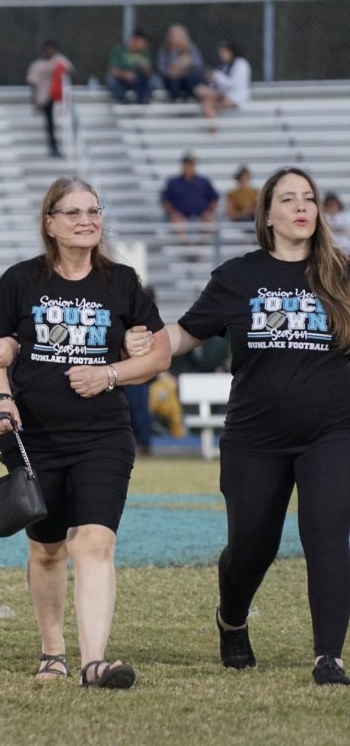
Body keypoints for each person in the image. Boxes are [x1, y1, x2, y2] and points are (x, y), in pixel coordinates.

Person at [127, 167, 350, 686]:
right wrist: (146, 343)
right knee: (253, 544)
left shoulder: (342, 273)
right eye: (289, 199)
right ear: (267, 215)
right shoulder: (238, 276)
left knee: (327, 536)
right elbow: (185, 334)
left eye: (310, 199)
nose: (302, 208)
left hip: (333, 432)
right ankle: (232, 618)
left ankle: (328, 656)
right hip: (255, 438)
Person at [0, 176, 171, 689]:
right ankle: (52, 652)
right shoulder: (21, 280)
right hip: (33, 436)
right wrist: (1, 399)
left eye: (93, 211)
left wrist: (110, 374)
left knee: (94, 542)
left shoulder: (123, 282)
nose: (86, 220)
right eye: (73, 212)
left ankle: (94, 663)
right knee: (46, 549)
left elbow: (160, 353)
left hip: (103, 435)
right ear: (50, 223)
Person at [26, 40, 74, 158]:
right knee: (50, 122)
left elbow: (70, 70)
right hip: (44, 96)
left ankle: (59, 145)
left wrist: (60, 60)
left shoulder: (58, 61)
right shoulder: (37, 65)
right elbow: (32, 83)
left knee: (58, 121)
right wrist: (34, 101)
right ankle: (53, 146)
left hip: (58, 96)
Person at [162, 152, 220, 237]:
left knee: (210, 222)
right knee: (177, 223)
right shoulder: (173, 182)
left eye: (191, 164)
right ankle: (187, 245)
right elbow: (165, 201)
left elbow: (214, 199)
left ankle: (201, 244)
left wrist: (209, 212)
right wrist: (173, 213)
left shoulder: (203, 181)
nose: (189, 167)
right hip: (180, 216)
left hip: (201, 215)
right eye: (187, 164)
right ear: (182, 166)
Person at [196, 41, 251, 125]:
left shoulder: (241, 64)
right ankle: (213, 125)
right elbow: (220, 86)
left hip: (236, 97)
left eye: (224, 52)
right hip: (225, 94)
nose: (221, 54)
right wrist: (212, 78)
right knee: (202, 94)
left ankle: (214, 127)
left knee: (208, 104)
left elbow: (234, 84)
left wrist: (217, 75)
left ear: (231, 52)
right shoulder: (225, 66)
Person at [156, 24, 205, 102]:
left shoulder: (191, 48)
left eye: (177, 35)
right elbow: (162, 69)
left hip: (186, 77)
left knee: (192, 76)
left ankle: (191, 97)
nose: (175, 37)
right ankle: (176, 99)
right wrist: (174, 69)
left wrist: (183, 65)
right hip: (172, 79)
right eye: (173, 35)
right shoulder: (164, 50)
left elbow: (198, 64)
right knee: (173, 81)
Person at [106, 30, 154, 104]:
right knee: (110, 79)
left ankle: (143, 98)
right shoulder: (119, 50)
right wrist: (125, 74)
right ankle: (122, 100)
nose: (145, 45)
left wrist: (145, 69)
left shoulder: (145, 52)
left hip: (139, 81)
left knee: (154, 80)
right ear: (135, 40)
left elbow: (149, 72)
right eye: (143, 42)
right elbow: (112, 70)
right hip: (121, 80)